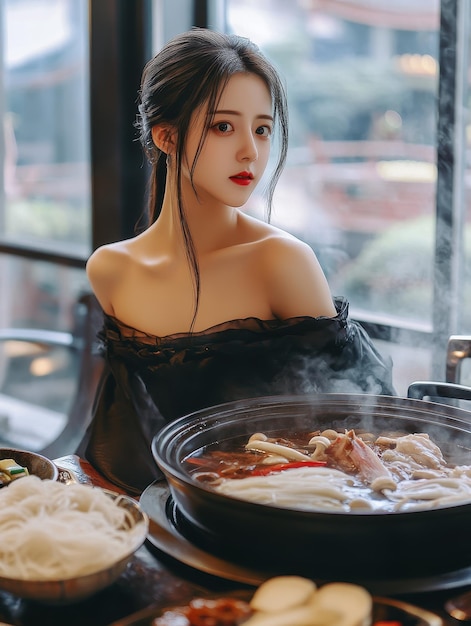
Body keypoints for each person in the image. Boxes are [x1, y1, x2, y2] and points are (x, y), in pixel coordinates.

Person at [77, 28, 395, 494]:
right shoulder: (111, 270)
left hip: (276, 511)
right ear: (166, 136)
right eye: (223, 126)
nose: (251, 150)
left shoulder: (281, 262)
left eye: (262, 129)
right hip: (152, 514)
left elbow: (361, 425)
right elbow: (123, 434)